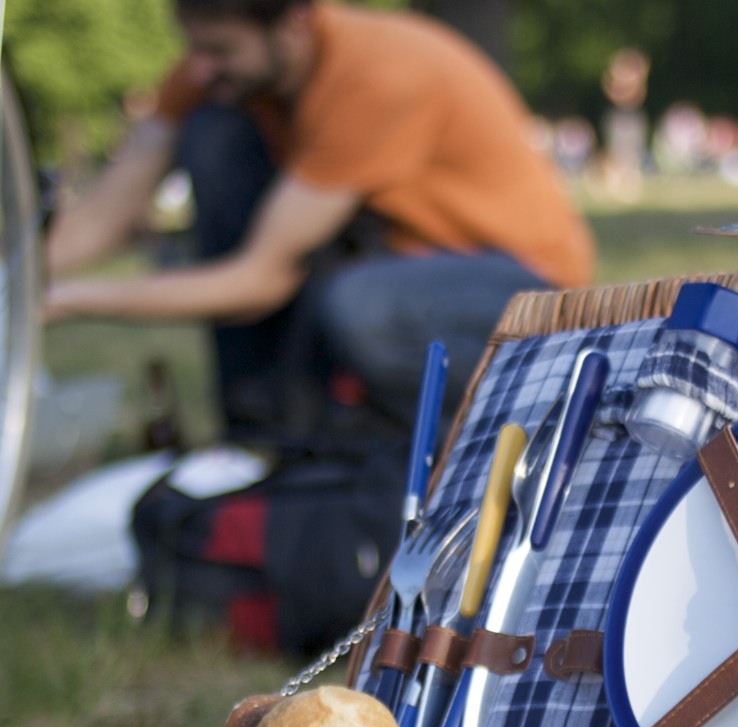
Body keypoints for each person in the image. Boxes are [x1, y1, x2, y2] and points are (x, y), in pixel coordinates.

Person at [44, 0, 596, 444]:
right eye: (193, 46)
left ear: (294, 22)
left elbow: (259, 279)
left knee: (359, 305)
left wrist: (69, 300)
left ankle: (442, 450)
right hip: (398, 256)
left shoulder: (376, 77)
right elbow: (101, 217)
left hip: (524, 288)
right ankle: (267, 436)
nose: (199, 67)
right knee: (214, 130)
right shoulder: (220, 65)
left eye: (219, 50)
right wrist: (16, 281)